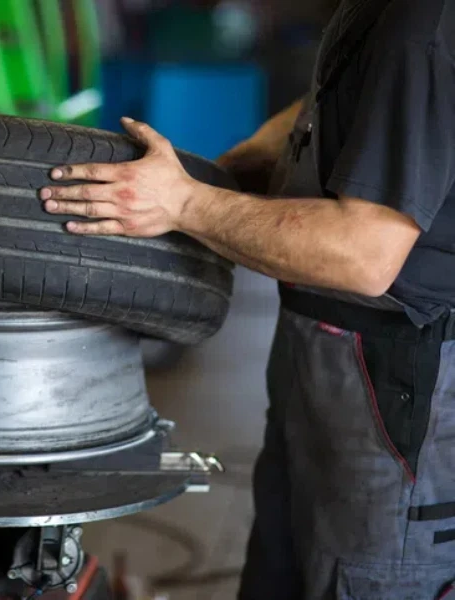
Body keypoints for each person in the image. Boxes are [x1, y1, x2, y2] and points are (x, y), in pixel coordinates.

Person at [38, 0, 455, 598]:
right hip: (322, 347)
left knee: (366, 577)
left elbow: (365, 256)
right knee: (284, 565)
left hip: (398, 375)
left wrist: (185, 205)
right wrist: (234, 171)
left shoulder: (421, 24)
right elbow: (333, 100)